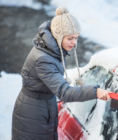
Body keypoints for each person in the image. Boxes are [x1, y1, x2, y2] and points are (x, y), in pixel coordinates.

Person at [11, 6, 110, 140]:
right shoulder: (43, 59)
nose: (74, 43)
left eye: (76, 38)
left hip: (42, 106)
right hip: (32, 115)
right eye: (70, 38)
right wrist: (95, 92)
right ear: (59, 36)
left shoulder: (51, 49)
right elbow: (65, 92)